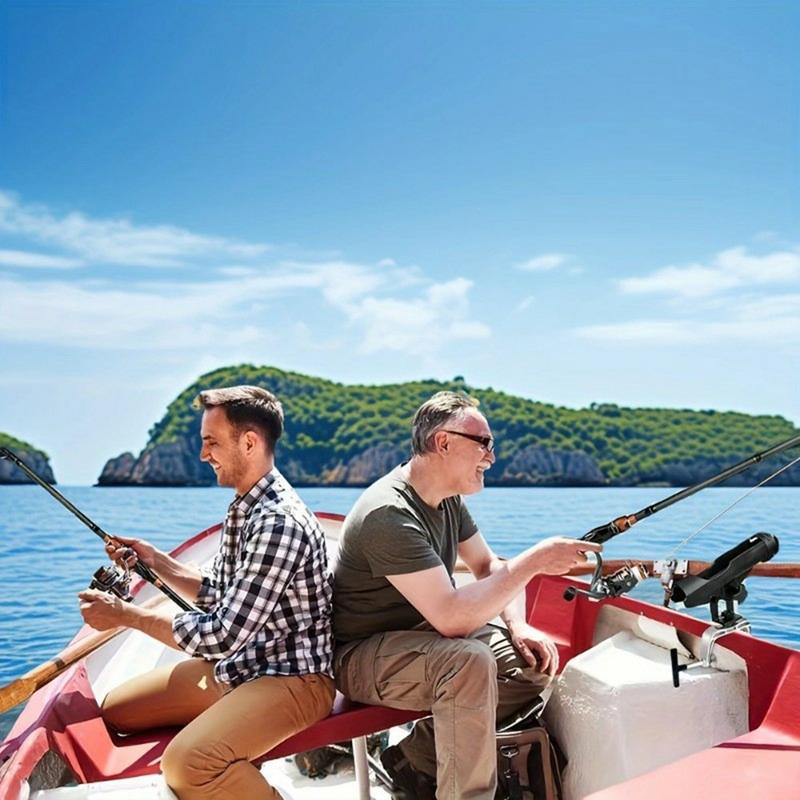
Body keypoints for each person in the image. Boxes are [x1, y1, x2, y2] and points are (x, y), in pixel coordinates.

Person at [333, 391, 602, 800]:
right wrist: (534, 561)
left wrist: (518, 625)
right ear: (443, 442)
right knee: (469, 663)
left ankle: (414, 758)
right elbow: (452, 619)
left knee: (531, 663)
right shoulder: (388, 514)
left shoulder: (447, 500)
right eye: (484, 444)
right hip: (360, 655)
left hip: (420, 635)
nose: (491, 457)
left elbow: (488, 566)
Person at [79, 385, 335, 800]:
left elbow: (221, 636)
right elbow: (218, 591)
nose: (203, 455)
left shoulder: (278, 522)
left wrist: (127, 617)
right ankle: (233, 737)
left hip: (293, 680)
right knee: (115, 711)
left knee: (187, 765)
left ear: (249, 443)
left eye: (211, 442)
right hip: (241, 667)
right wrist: (156, 560)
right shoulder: (245, 506)